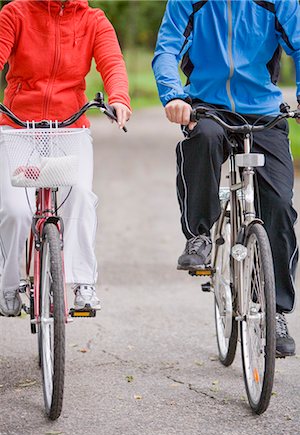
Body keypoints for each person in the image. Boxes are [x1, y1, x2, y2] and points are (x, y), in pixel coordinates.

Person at [153, 0, 300, 357]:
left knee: (279, 204)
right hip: (207, 104)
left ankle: (274, 310)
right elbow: (167, 48)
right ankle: (199, 235)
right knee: (202, 138)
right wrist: (173, 95)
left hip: (263, 108)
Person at [0, 0, 131, 316]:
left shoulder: (93, 20)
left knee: (81, 198)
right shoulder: (15, 13)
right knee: (15, 211)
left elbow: (112, 63)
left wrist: (119, 99)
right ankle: (8, 285)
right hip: (18, 129)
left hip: (69, 129)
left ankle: (83, 283)